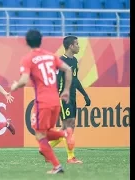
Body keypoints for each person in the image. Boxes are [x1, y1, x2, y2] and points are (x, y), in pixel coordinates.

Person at [10, 29, 74, 174]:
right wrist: (66, 91)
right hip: (55, 101)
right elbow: (68, 69)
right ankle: (65, 134)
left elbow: (24, 80)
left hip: (42, 102)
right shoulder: (51, 56)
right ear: (41, 40)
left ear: (26, 42)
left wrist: (15, 86)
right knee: (45, 133)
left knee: (40, 135)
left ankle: (58, 163)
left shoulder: (28, 59)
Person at [48, 36, 91, 164]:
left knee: (67, 128)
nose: (79, 46)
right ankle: (70, 157)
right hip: (63, 98)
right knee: (69, 127)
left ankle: (46, 147)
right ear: (71, 46)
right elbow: (56, 81)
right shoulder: (61, 61)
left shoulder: (75, 61)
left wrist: (84, 94)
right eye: (77, 44)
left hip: (72, 98)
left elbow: (75, 80)